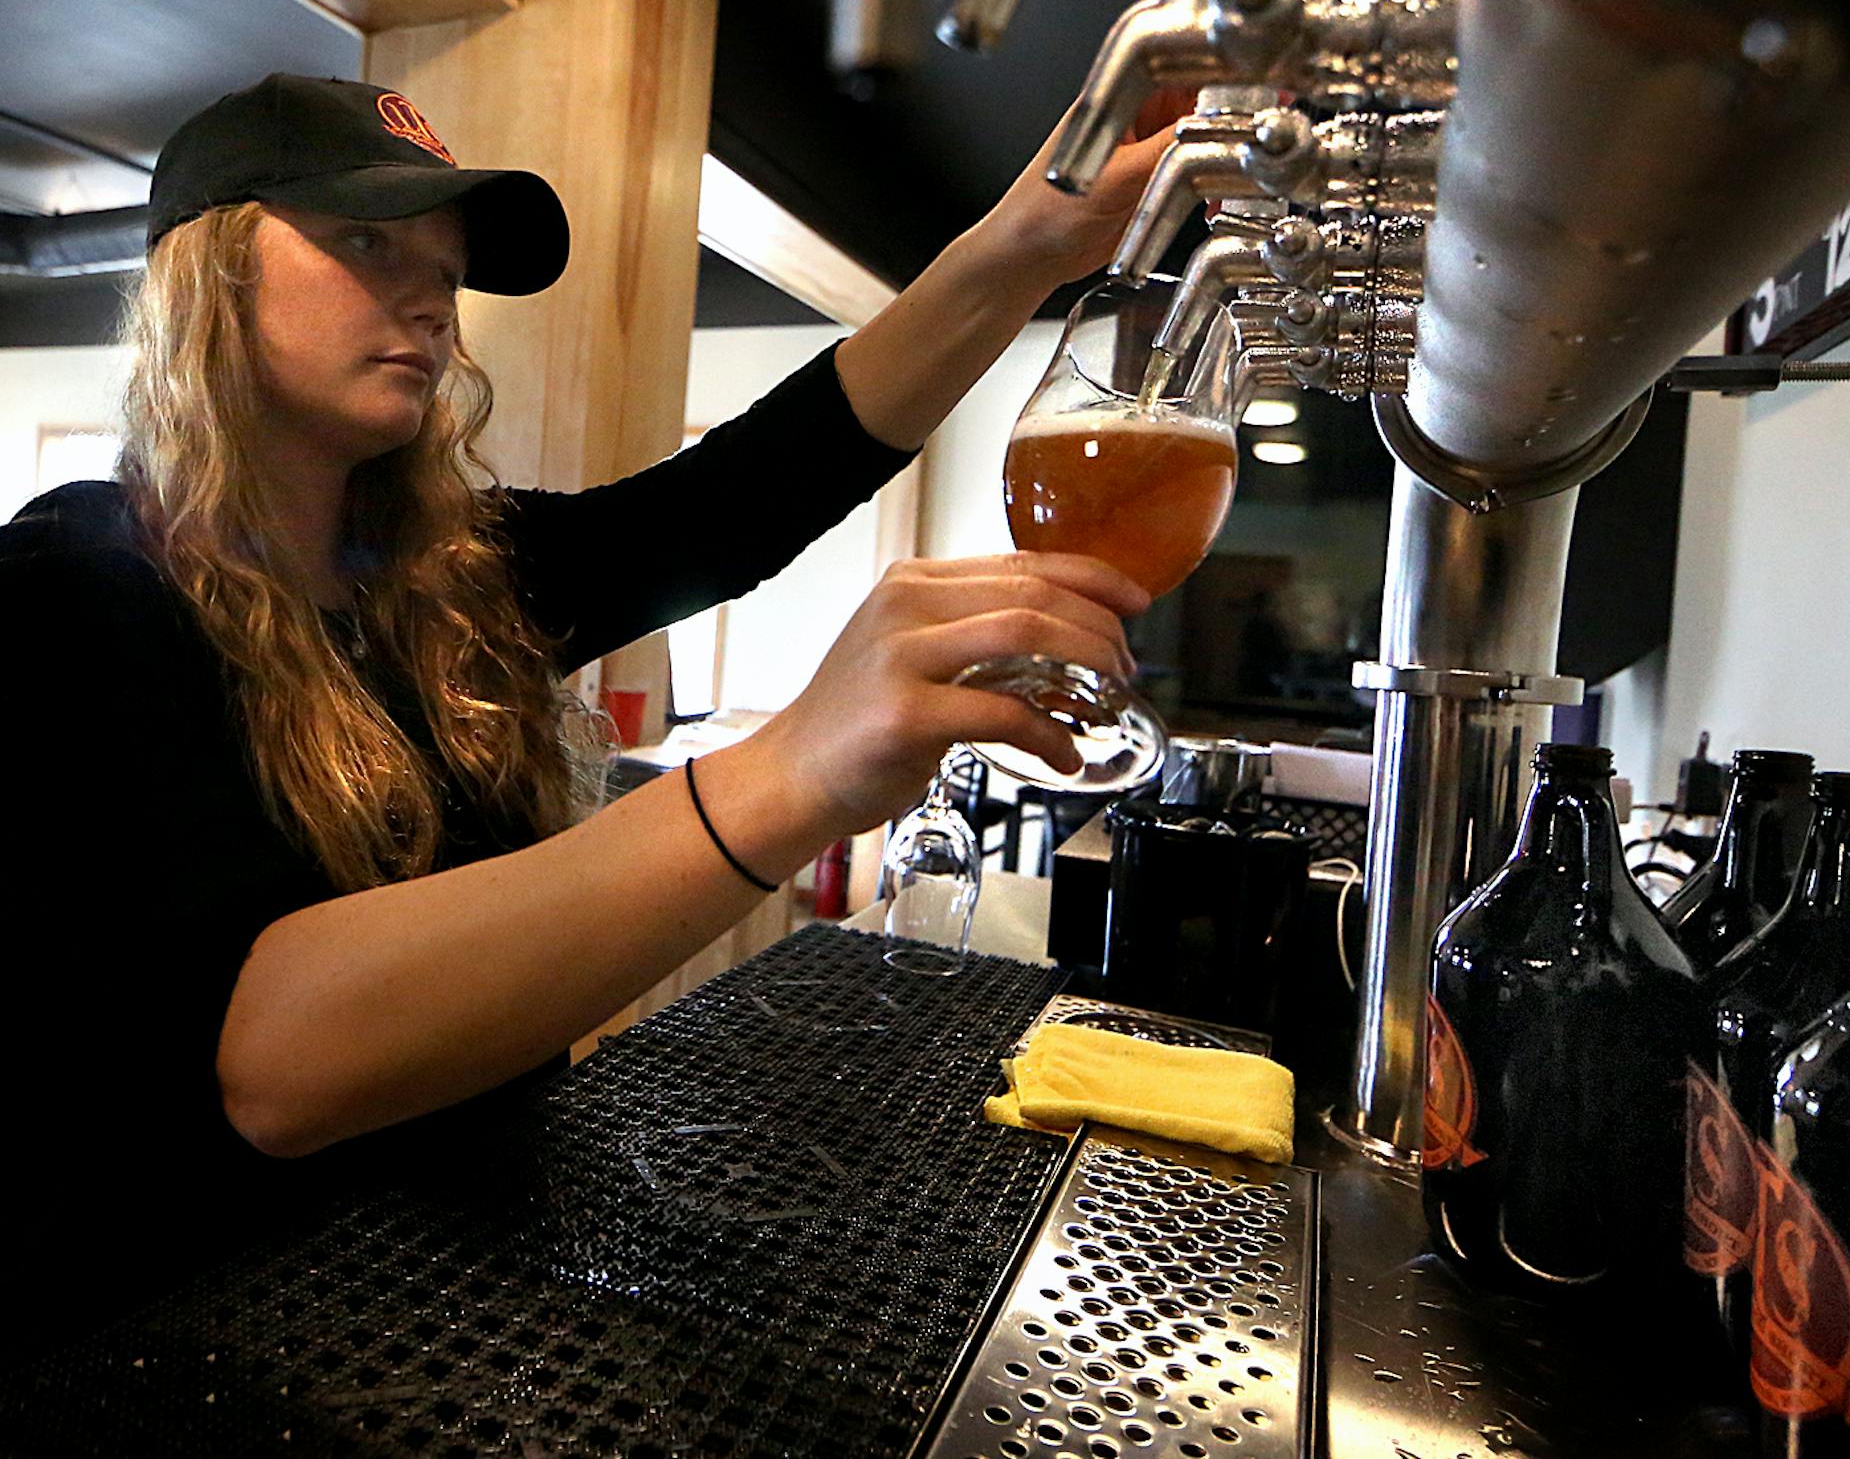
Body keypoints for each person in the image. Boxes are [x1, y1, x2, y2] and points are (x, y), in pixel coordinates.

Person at [0, 73, 1171, 1331]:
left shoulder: (447, 574)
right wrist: (790, 770)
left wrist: (1025, 242)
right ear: (209, 270)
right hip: (188, 1340)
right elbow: (270, 1061)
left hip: (454, 1293)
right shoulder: (71, 587)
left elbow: (740, 497)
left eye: (447, 271)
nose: (431, 303)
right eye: (367, 243)